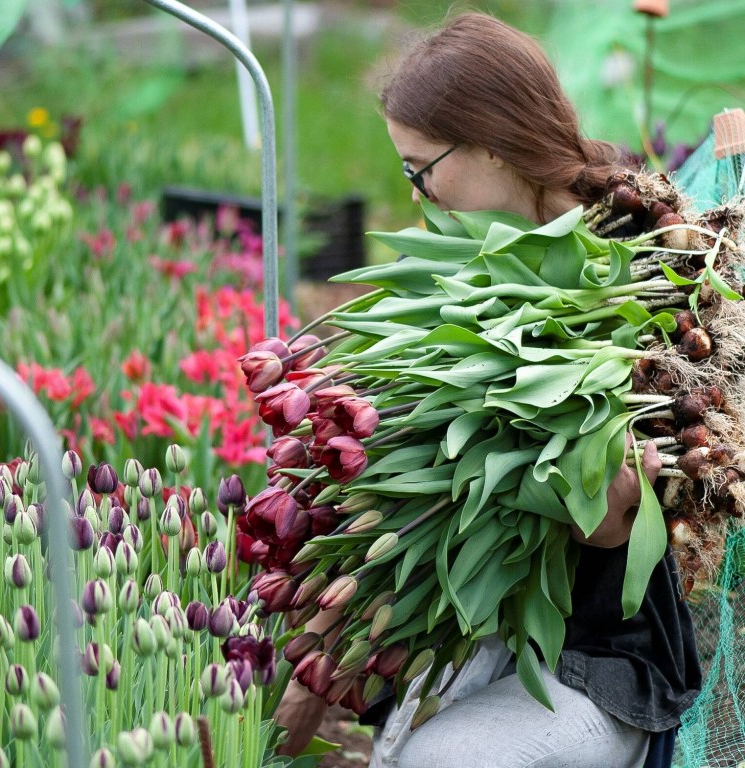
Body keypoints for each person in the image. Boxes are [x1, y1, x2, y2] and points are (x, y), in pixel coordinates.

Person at [274, 12, 701, 768]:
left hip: (606, 657)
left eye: (420, 168)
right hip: (494, 637)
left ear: (490, 143)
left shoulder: (644, 272)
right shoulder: (472, 275)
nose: (418, 196)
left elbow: (607, 529)